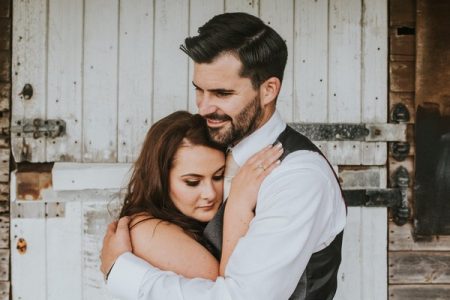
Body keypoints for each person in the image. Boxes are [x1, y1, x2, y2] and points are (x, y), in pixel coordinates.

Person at [101, 12, 347, 300]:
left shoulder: (298, 177)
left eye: (222, 93)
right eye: (199, 90)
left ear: (268, 90)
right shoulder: (218, 145)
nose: (204, 107)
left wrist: (123, 272)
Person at [113, 110, 282, 281]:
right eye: (192, 182)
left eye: (218, 176)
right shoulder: (147, 232)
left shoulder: (192, 221)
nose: (210, 194)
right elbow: (232, 291)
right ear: (160, 180)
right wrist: (238, 205)